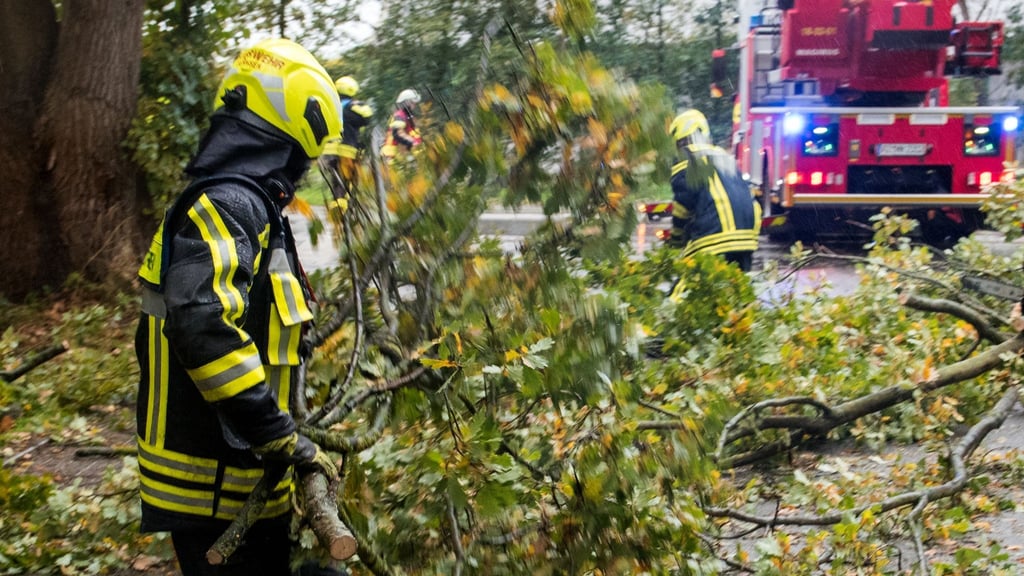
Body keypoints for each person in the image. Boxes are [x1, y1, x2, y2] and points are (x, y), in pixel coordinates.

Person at [134, 38, 344, 575]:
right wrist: (280, 438)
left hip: (234, 469)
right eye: (306, 156)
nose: (304, 171)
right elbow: (205, 328)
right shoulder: (228, 205)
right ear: (288, 137)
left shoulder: (243, 204)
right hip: (211, 481)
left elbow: (255, 320)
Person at [666, 108, 761, 273]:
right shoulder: (725, 157)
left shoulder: (686, 161)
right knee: (735, 290)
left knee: (686, 292)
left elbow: (682, 208)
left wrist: (675, 241)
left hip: (713, 239)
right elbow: (751, 200)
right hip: (746, 239)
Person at [319, 76, 374, 214]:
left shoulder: (329, 105)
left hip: (329, 151)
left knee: (336, 181)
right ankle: (345, 210)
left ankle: (336, 207)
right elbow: (368, 116)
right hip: (347, 149)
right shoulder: (353, 106)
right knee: (349, 180)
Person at [380, 88, 422, 160]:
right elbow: (397, 134)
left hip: (402, 156)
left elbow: (412, 134)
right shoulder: (400, 116)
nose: (415, 105)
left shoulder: (408, 116)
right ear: (407, 103)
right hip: (393, 157)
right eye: (413, 102)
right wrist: (413, 143)